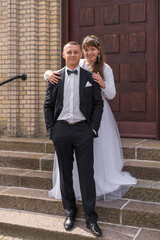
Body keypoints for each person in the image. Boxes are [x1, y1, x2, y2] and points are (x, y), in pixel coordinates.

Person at [44, 35, 137, 202]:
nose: (89, 52)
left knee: (94, 154)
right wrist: (48, 73)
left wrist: (102, 83)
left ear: (98, 50)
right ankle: (73, 189)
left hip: (96, 114)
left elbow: (111, 95)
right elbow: (60, 75)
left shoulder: (105, 68)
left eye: (92, 49)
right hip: (76, 115)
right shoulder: (78, 63)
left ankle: (97, 185)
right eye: (86, 49)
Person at [44, 41, 103, 237]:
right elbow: (48, 105)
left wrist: (93, 129)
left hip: (83, 131)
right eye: (69, 52)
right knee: (65, 174)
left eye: (76, 52)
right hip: (61, 130)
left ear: (80, 55)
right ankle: (69, 213)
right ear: (63, 54)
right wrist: (52, 130)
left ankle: (91, 218)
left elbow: (98, 103)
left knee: (87, 175)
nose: (72, 55)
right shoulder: (55, 77)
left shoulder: (89, 76)